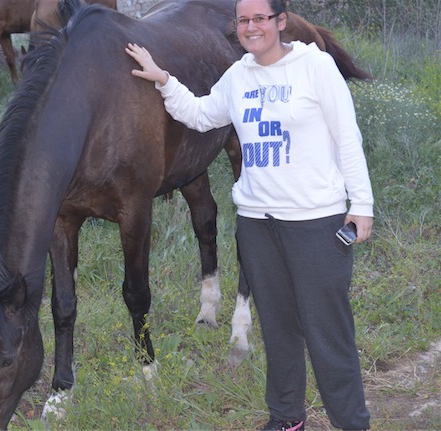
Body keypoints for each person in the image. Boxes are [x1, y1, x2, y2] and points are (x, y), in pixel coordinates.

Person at [125, 0, 373, 430]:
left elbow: (346, 137)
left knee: (327, 332)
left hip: (315, 221)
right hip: (257, 223)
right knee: (277, 329)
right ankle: (287, 418)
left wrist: (362, 206)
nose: (251, 27)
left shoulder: (315, 68)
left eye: (260, 18)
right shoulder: (238, 76)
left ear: (280, 22)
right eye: (243, 20)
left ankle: (351, 422)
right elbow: (201, 115)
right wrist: (163, 79)